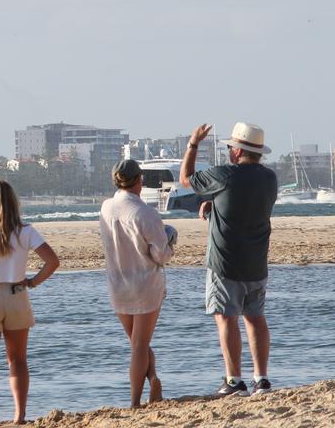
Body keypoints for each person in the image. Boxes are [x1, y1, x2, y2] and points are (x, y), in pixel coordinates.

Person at [179, 122, 278, 397]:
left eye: (230, 148)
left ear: (236, 151)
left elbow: (186, 178)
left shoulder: (225, 175)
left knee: (226, 318)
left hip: (226, 262)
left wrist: (193, 143)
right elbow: (242, 205)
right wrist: (214, 205)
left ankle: (234, 380)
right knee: (255, 318)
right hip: (257, 262)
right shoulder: (269, 178)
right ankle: (262, 379)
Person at [0, 180, 61, 426]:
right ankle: (19, 416)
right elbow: (52, 261)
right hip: (16, 294)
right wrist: (33, 282)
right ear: (13, 202)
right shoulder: (25, 230)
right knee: (17, 360)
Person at [99, 159, 177, 408]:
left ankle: (153, 377)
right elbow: (161, 255)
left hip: (118, 284)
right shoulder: (145, 212)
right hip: (145, 284)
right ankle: (135, 401)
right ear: (139, 180)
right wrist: (171, 238)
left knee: (137, 343)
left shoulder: (106, 208)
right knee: (139, 344)